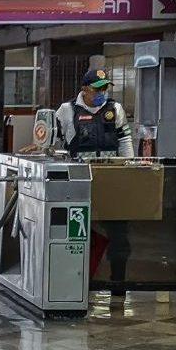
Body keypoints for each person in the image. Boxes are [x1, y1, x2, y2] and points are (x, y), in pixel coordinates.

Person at [56, 68, 134, 303]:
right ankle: (78, 283)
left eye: (105, 88)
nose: (102, 93)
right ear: (84, 89)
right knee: (80, 234)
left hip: (112, 180)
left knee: (119, 235)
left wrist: (127, 168)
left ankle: (117, 284)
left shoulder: (115, 109)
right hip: (80, 181)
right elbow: (57, 145)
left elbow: (125, 140)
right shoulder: (67, 111)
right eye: (97, 89)